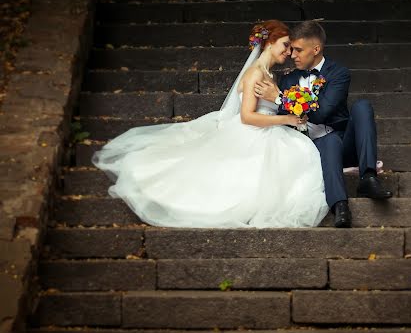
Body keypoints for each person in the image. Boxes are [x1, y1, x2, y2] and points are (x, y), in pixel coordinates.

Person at [92, 20, 329, 228]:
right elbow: (247, 116)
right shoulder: (256, 74)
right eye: (285, 45)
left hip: (267, 130)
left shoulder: (270, 75)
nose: (288, 51)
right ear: (269, 43)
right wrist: (287, 119)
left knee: (299, 151)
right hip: (253, 132)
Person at [255, 20, 392, 228]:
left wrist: (280, 99)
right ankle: (339, 205)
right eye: (291, 49)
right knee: (329, 142)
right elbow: (283, 117)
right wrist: (280, 100)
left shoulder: (338, 73)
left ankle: (368, 178)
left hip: (342, 145)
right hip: (308, 149)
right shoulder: (287, 79)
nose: (292, 55)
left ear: (316, 49)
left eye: (298, 50)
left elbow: (323, 112)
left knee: (362, 107)